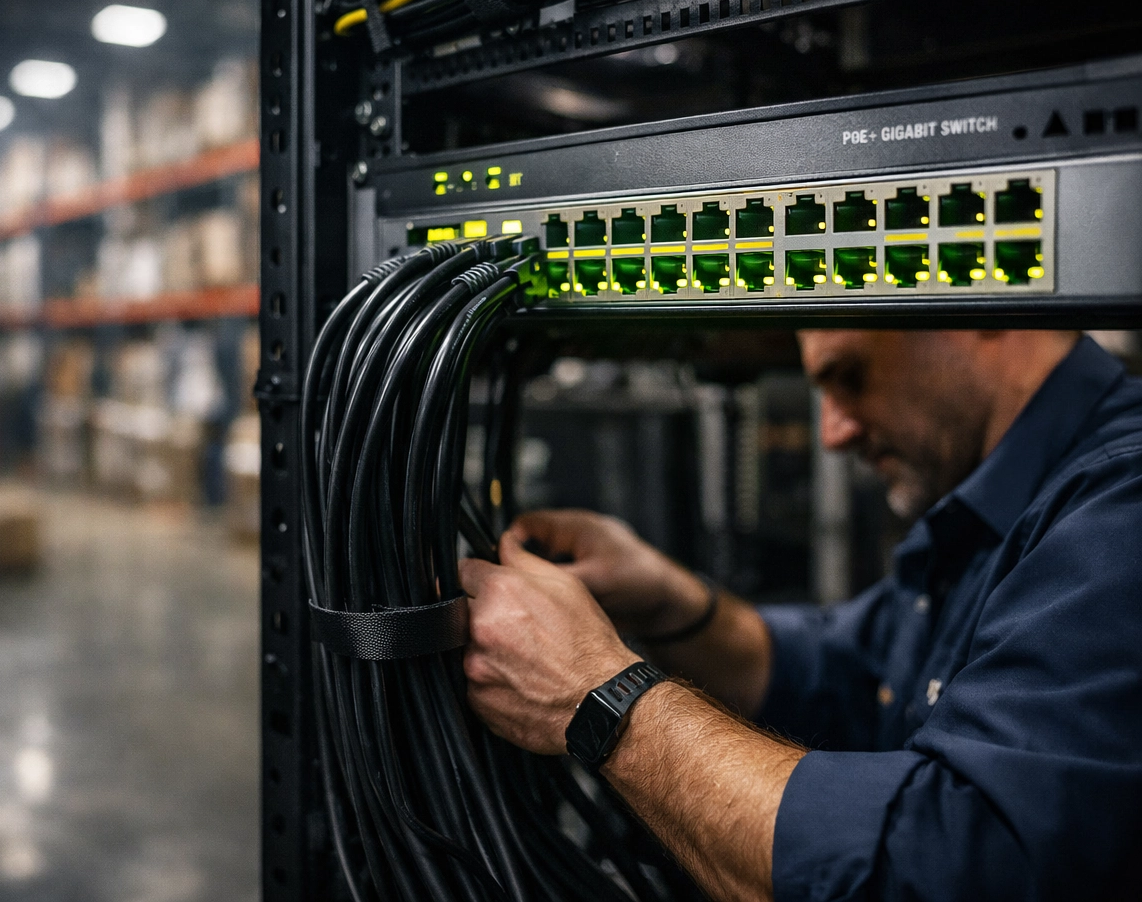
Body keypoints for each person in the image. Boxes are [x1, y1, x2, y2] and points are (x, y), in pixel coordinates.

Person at [459, 330, 1142, 902]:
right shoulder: (992, 510)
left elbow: (946, 866)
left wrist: (595, 694)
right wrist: (669, 603)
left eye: (849, 377)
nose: (833, 432)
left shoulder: (1122, 504)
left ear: (982, 297)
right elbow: (851, 672)